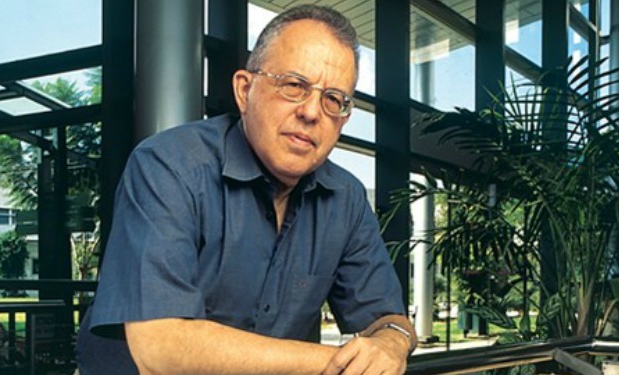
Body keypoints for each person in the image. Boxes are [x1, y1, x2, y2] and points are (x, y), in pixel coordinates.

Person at [76, 4, 416, 374]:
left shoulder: (346, 198)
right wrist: (341, 365)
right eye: (294, 86)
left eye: (333, 99)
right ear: (244, 89)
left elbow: (388, 319)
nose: (312, 112)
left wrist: (390, 343)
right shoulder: (168, 164)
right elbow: (161, 347)